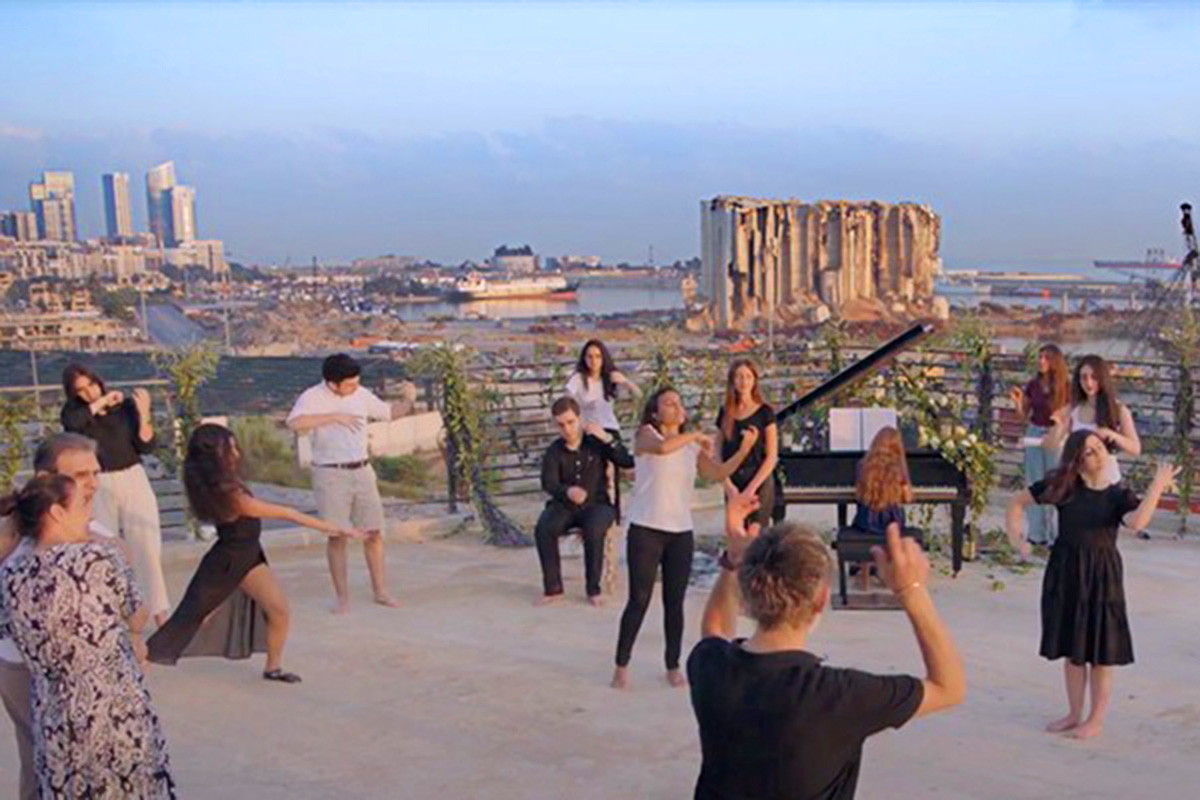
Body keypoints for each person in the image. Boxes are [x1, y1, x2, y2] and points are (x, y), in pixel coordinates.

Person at [687, 490, 965, 799]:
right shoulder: (839, 695)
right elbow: (949, 687)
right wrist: (912, 590)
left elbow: (714, 628)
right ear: (820, 600)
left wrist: (733, 561)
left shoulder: (710, 666)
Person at [0, 474, 175, 798]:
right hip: (111, 706)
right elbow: (138, 612)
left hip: (52, 712)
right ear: (56, 512)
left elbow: (11, 632)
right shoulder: (96, 558)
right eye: (83, 504)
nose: (91, 514)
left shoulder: (9, 573)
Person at [148, 424, 365, 683]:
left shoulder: (225, 482)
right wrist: (334, 527)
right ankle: (135, 664)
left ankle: (273, 668)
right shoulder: (226, 493)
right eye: (229, 448)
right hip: (227, 563)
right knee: (189, 620)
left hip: (248, 556)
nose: (236, 452)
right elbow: (287, 513)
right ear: (214, 456)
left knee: (279, 609)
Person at [1006, 429, 1177, 739]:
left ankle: (1096, 719)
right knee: (1072, 649)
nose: (1096, 455)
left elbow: (1138, 523)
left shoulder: (1117, 496)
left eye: (1099, 448)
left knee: (1100, 652)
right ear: (1077, 459)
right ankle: (1074, 713)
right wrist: (1016, 538)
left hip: (1102, 575)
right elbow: (1017, 502)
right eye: (1088, 451)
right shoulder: (1064, 488)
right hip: (1066, 569)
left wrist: (1157, 486)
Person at [611, 386, 758, 690]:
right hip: (645, 528)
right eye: (669, 403)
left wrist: (744, 450)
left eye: (679, 403)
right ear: (655, 411)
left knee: (674, 602)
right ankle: (621, 664)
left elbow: (716, 474)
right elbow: (664, 449)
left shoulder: (691, 448)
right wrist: (695, 436)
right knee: (639, 599)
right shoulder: (646, 435)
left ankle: (672, 664)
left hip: (680, 532)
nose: (677, 407)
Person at [0, 433, 116, 800]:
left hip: (81, 670)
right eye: (81, 475)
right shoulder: (15, 534)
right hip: (22, 665)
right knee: (44, 760)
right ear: (45, 478)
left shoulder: (90, 530)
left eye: (95, 473)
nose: (93, 484)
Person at [286, 353, 402, 613]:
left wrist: (409, 399)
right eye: (348, 385)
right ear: (332, 383)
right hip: (330, 472)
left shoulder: (361, 394)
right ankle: (342, 597)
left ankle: (380, 590)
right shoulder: (312, 397)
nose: (353, 389)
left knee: (373, 532)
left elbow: (388, 413)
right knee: (337, 535)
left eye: (355, 383)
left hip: (361, 469)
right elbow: (294, 422)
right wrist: (333, 416)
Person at [60, 363, 171, 625]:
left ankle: (160, 615)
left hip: (132, 475)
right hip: (98, 481)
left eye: (91, 384)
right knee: (103, 547)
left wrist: (143, 413)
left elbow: (145, 445)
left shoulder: (124, 409)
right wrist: (99, 403)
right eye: (82, 390)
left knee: (147, 546)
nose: (89, 392)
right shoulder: (76, 413)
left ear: (99, 380)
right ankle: (111, 615)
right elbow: (71, 426)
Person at [534, 397, 634, 606]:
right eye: (561, 425)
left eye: (571, 422)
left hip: (597, 504)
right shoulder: (554, 451)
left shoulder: (595, 442)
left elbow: (626, 461)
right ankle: (553, 588)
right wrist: (567, 491)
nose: (567, 429)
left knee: (594, 528)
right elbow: (548, 482)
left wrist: (606, 438)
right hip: (565, 505)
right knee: (544, 527)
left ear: (579, 419)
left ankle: (593, 589)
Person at [1044, 354, 1140, 489]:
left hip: (1108, 481)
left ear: (1103, 378)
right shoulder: (1073, 409)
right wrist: (1058, 426)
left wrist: (1112, 435)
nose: (1088, 383)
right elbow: (1051, 445)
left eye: (1094, 377)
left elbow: (1135, 448)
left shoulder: (1118, 410)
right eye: (1084, 378)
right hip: (1079, 482)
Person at [1010, 344, 1071, 544]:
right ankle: (1036, 534)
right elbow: (1023, 416)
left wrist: (1061, 425)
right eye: (1040, 357)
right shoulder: (1033, 384)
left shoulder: (1066, 386)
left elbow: (1072, 414)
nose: (1041, 361)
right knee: (1035, 482)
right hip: (1035, 432)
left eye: (1046, 358)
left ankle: (1055, 535)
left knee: (1055, 483)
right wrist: (1018, 403)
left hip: (1055, 435)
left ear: (1055, 362)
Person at [714, 358, 778, 527]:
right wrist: (728, 487)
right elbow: (717, 454)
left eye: (748, 377)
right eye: (739, 377)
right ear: (732, 381)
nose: (744, 382)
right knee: (735, 532)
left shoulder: (765, 412)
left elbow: (771, 457)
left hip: (758, 480)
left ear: (755, 380)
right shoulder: (725, 412)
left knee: (757, 535)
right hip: (733, 480)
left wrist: (751, 489)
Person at [851, 426, 914, 590]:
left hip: (867, 522)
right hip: (891, 523)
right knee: (894, 525)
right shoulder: (898, 468)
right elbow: (907, 499)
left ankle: (864, 575)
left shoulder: (862, 465)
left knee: (857, 521)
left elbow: (858, 495)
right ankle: (887, 574)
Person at [564, 338, 642, 438]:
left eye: (598, 357)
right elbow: (567, 400)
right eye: (590, 357)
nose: (594, 361)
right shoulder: (578, 378)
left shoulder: (610, 377)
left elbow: (638, 394)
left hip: (609, 427)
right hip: (588, 430)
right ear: (584, 359)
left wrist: (625, 382)